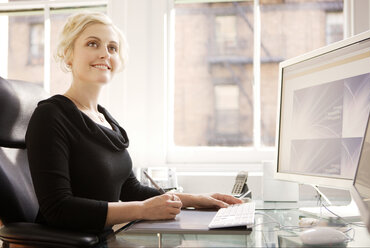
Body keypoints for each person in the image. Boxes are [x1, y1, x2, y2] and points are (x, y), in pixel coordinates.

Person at [25, 11, 242, 234]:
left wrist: (196, 199)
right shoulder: (51, 116)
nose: (104, 54)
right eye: (92, 44)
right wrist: (142, 210)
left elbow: (132, 190)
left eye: (112, 48)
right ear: (68, 55)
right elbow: (57, 209)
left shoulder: (106, 120)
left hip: (105, 240)